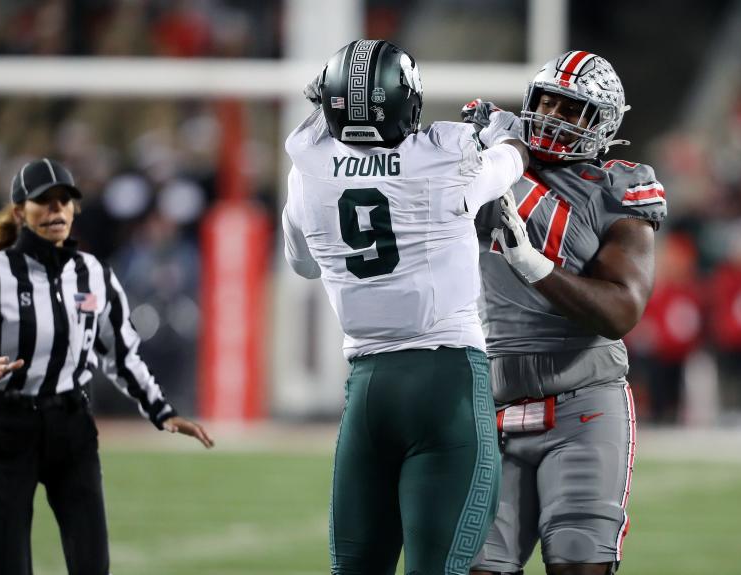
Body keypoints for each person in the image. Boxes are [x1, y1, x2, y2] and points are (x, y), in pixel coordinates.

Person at [283, 39, 528, 575]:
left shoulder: (305, 170)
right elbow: (512, 157)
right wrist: (502, 131)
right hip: (446, 383)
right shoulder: (446, 160)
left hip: (368, 390)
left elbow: (301, 263)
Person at [0, 158, 213, 575]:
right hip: (8, 425)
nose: (57, 210)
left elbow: (122, 353)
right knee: (5, 567)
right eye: (45, 201)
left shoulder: (93, 273)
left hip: (71, 425)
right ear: (21, 211)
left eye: (65, 201)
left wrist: (160, 411)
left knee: (92, 564)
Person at [465, 51, 666, 575]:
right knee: (479, 567)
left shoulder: (616, 189)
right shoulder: (493, 162)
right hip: (493, 402)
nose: (553, 114)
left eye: (571, 107)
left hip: (584, 406)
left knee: (578, 564)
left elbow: (622, 310)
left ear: (603, 123)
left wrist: (532, 264)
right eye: (546, 100)